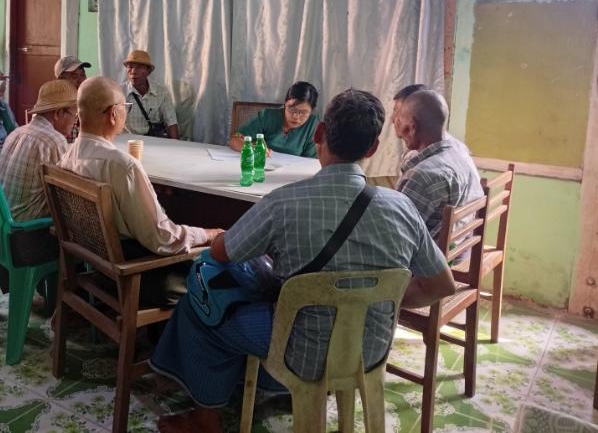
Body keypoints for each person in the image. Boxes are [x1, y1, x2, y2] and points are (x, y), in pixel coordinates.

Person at [150, 89, 456, 433]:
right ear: (372, 148)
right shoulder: (402, 207)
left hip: (298, 353)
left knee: (200, 306)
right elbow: (441, 285)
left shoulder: (283, 202)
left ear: (319, 133)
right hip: (368, 350)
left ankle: (206, 419)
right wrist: (374, 299)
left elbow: (222, 253)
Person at [59, 76, 221, 306]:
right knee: (217, 264)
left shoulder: (67, 156)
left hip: (94, 264)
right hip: (132, 273)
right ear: (113, 114)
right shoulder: (122, 165)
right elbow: (162, 238)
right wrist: (209, 234)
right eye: (125, 107)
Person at [0, 79, 77, 264]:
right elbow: (65, 198)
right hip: (28, 240)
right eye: (74, 115)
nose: (75, 122)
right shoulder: (53, 140)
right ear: (58, 113)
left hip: (2, 233)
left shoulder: (17, 132)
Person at [395, 89, 483, 238]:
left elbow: (397, 233)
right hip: (458, 245)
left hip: (429, 252)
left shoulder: (423, 176)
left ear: (412, 127)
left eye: (399, 121)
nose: (398, 131)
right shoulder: (458, 155)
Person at [229, 81, 319, 157]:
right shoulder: (267, 116)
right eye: (292, 109)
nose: (296, 116)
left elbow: (309, 161)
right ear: (285, 103)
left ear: (312, 110)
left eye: (303, 112)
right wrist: (254, 149)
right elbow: (234, 140)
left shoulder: (313, 125)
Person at [122, 49, 179, 140]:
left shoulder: (161, 92)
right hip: (127, 141)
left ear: (148, 71)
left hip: (153, 140)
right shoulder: (119, 92)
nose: (133, 71)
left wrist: (175, 145)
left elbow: (171, 122)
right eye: (130, 66)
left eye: (139, 67)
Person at [54, 55, 90, 142]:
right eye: (74, 76)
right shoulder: (52, 108)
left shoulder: (87, 103)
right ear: (61, 80)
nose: (81, 80)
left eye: (83, 75)